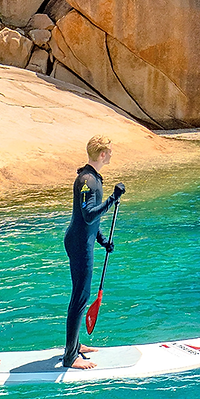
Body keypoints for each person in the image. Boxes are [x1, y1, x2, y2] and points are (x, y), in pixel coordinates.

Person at [62, 135, 125, 370]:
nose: (111, 155)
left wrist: (101, 240)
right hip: (79, 245)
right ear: (101, 154)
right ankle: (70, 357)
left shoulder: (93, 177)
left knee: (82, 296)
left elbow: (87, 220)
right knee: (79, 299)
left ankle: (76, 345)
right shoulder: (88, 180)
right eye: (109, 152)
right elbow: (89, 214)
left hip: (83, 240)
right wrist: (113, 198)